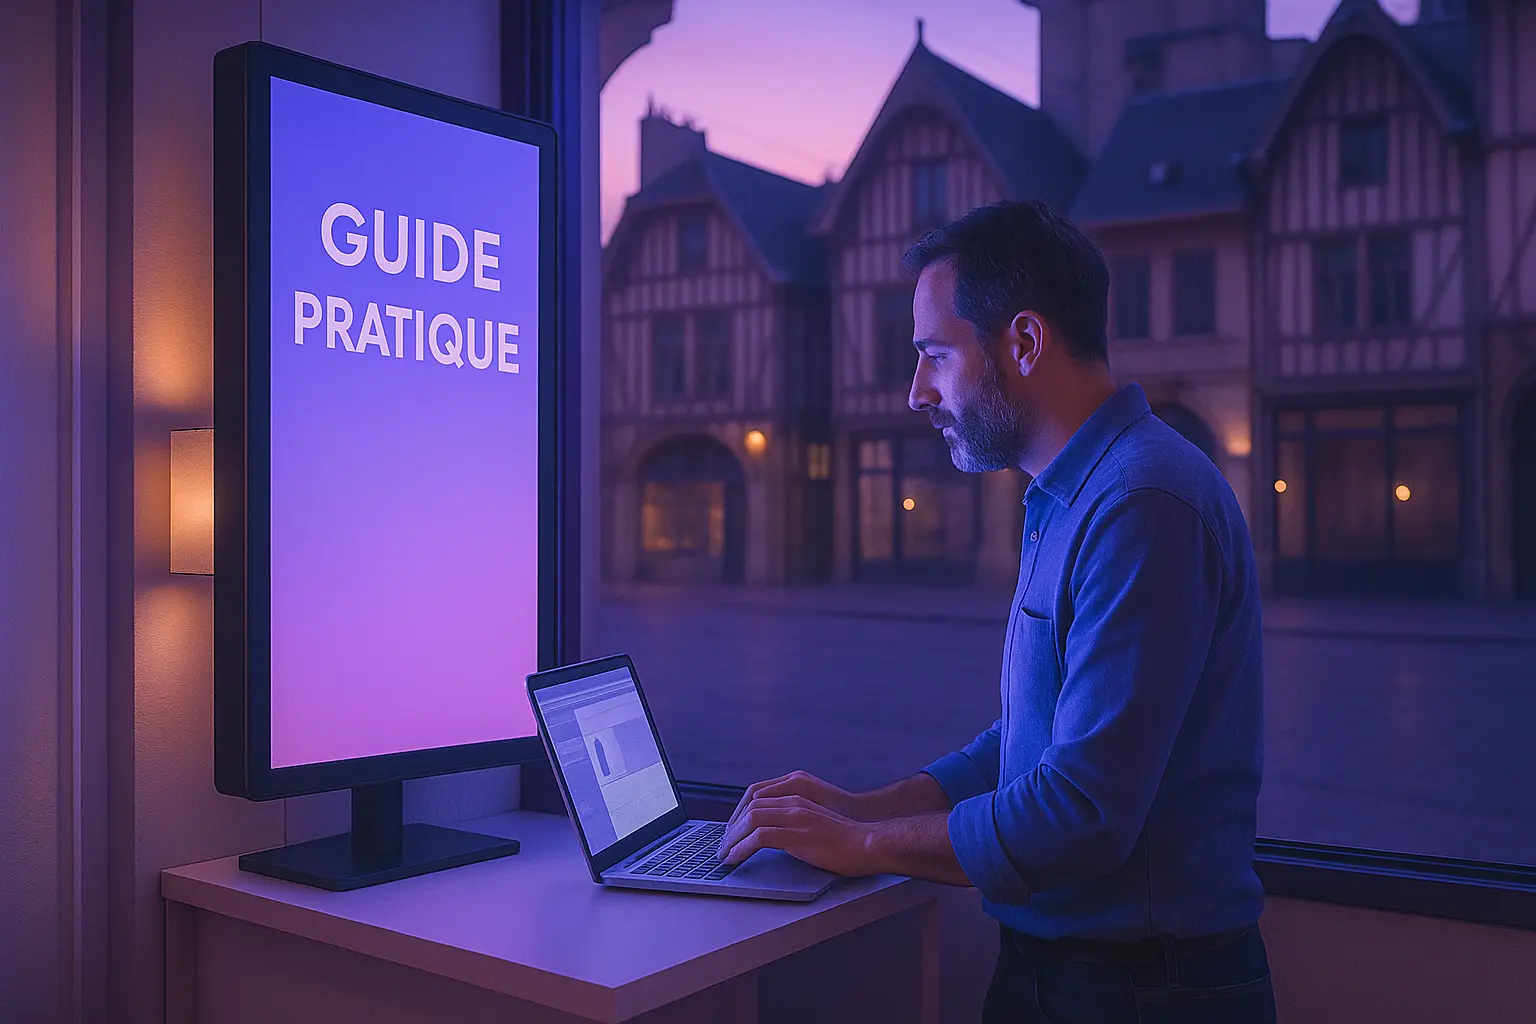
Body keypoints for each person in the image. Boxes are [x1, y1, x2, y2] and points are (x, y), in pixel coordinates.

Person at [716, 199, 1274, 1023]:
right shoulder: (1068, 496)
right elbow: (1024, 750)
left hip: (1140, 993)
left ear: (1023, 341)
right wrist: (859, 808)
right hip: (1068, 975)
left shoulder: (1143, 500)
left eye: (935, 355)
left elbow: (1080, 815)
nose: (916, 392)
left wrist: (865, 847)